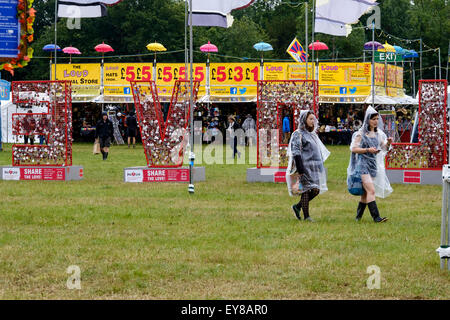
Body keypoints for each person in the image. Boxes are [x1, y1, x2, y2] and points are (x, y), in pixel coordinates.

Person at [348, 106, 393, 223]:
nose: (376, 121)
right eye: (373, 119)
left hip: (372, 165)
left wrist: (388, 143)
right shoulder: (360, 134)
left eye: (377, 119)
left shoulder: (378, 134)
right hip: (363, 165)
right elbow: (353, 148)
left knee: (365, 193)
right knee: (371, 190)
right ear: (368, 120)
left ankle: (358, 217)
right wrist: (367, 150)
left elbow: (384, 148)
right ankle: (376, 217)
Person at [286, 110, 330, 222]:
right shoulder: (298, 134)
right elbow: (296, 151)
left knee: (315, 190)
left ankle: (297, 206)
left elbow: (317, 151)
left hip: (313, 168)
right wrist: (300, 168)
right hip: (304, 167)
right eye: (310, 119)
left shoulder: (312, 134)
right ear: (304, 120)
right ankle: (306, 216)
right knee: (306, 190)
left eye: (313, 119)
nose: (313, 121)